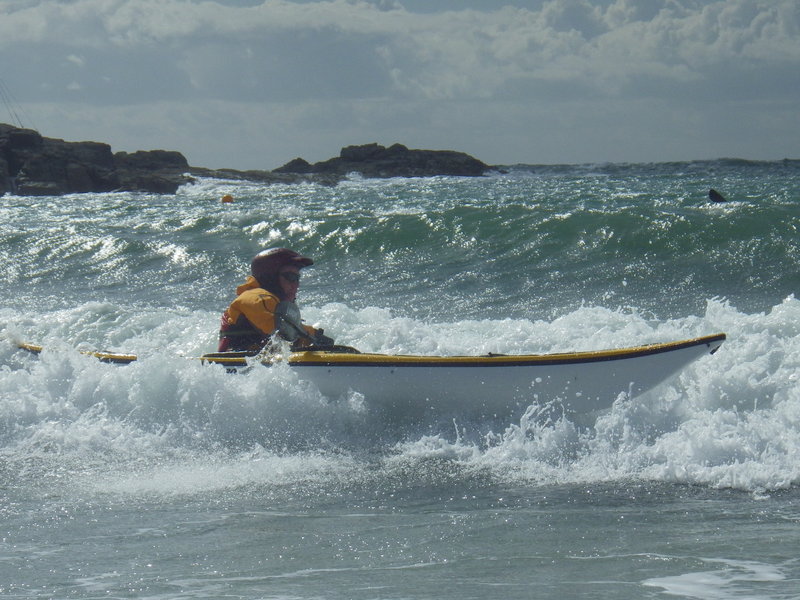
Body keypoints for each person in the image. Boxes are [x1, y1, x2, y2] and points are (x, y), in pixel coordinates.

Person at [218, 248, 334, 352]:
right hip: (238, 368)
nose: (296, 284)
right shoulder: (255, 297)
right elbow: (281, 330)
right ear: (270, 277)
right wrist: (314, 335)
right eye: (291, 277)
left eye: (297, 278)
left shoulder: (274, 303)